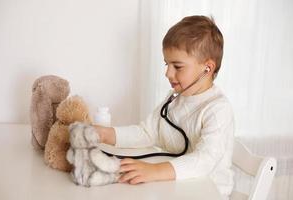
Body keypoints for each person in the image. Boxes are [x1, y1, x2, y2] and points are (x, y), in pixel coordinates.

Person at [94, 15, 234, 199]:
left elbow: (204, 161)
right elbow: (148, 133)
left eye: (177, 66)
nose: (168, 73)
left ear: (207, 68)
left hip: (208, 192)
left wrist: (154, 171)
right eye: (166, 64)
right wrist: (106, 134)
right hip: (177, 188)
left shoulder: (217, 110)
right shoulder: (174, 99)